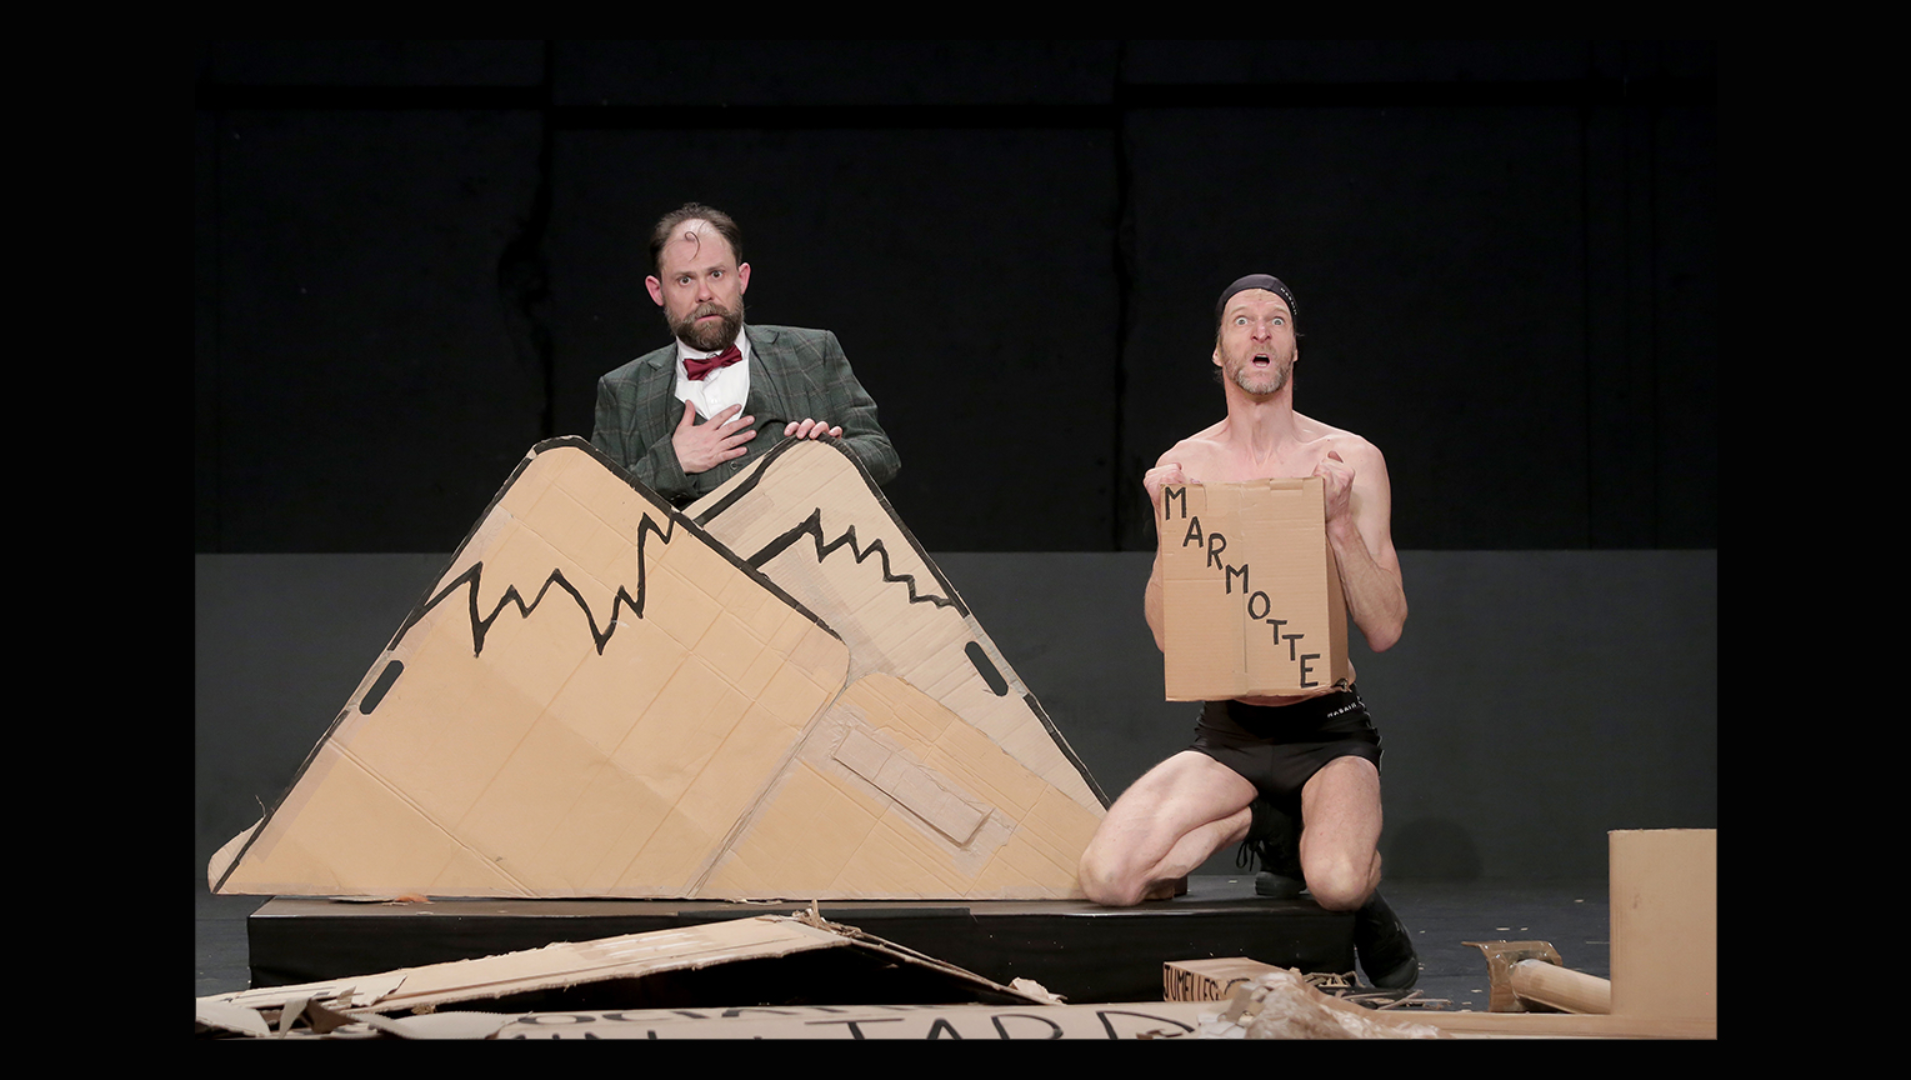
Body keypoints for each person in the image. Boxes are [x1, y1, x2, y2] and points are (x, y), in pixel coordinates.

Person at [1076, 273, 1418, 990]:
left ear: (1294, 350)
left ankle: (1344, 878)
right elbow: (1173, 640)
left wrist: (1333, 523)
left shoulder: (1349, 460)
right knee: (1108, 878)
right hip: (1230, 735)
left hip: (1327, 730)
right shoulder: (1186, 464)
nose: (1259, 331)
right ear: (1218, 350)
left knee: (1334, 884)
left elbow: (1384, 626)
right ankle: (1262, 820)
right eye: (1241, 320)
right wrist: (1171, 528)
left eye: (1274, 321)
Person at [593, 203, 900, 504]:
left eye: (716, 274)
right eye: (685, 280)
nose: (704, 294)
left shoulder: (812, 353)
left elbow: (882, 454)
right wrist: (671, 462)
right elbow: (595, 507)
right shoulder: (623, 390)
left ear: (741, 278)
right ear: (657, 290)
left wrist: (831, 456)